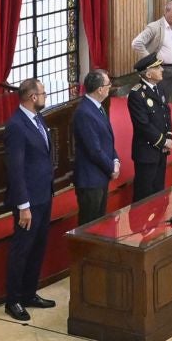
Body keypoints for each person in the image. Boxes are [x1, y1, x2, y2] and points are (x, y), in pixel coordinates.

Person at [2, 76, 56, 322]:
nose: (45, 97)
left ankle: (29, 293)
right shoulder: (16, 126)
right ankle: (13, 300)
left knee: (39, 246)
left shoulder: (38, 119)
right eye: (43, 94)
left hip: (44, 194)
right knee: (22, 250)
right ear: (32, 97)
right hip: (28, 202)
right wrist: (23, 205)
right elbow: (16, 169)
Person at [71, 68, 120, 225]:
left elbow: (107, 139)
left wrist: (116, 159)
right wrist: (111, 167)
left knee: (99, 223)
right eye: (108, 84)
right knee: (89, 225)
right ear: (100, 89)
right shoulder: (84, 113)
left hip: (100, 176)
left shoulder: (98, 107)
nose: (110, 87)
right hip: (90, 180)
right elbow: (94, 150)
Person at [128, 55, 172, 202]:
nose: (162, 69)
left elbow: (166, 113)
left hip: (161, 150)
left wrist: (169, 137)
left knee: (158, 191)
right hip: (147, 151)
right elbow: (143, 125)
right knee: (145, 195)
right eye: (157, 67)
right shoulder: (137, 95)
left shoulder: (160, 88)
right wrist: (163, 142)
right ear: (148, 74)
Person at [131, 0, 172, 103]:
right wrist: (151, 61)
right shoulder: (155, 27)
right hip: (162, 70)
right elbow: (136, 43)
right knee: (162, 100)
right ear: (166, 12)